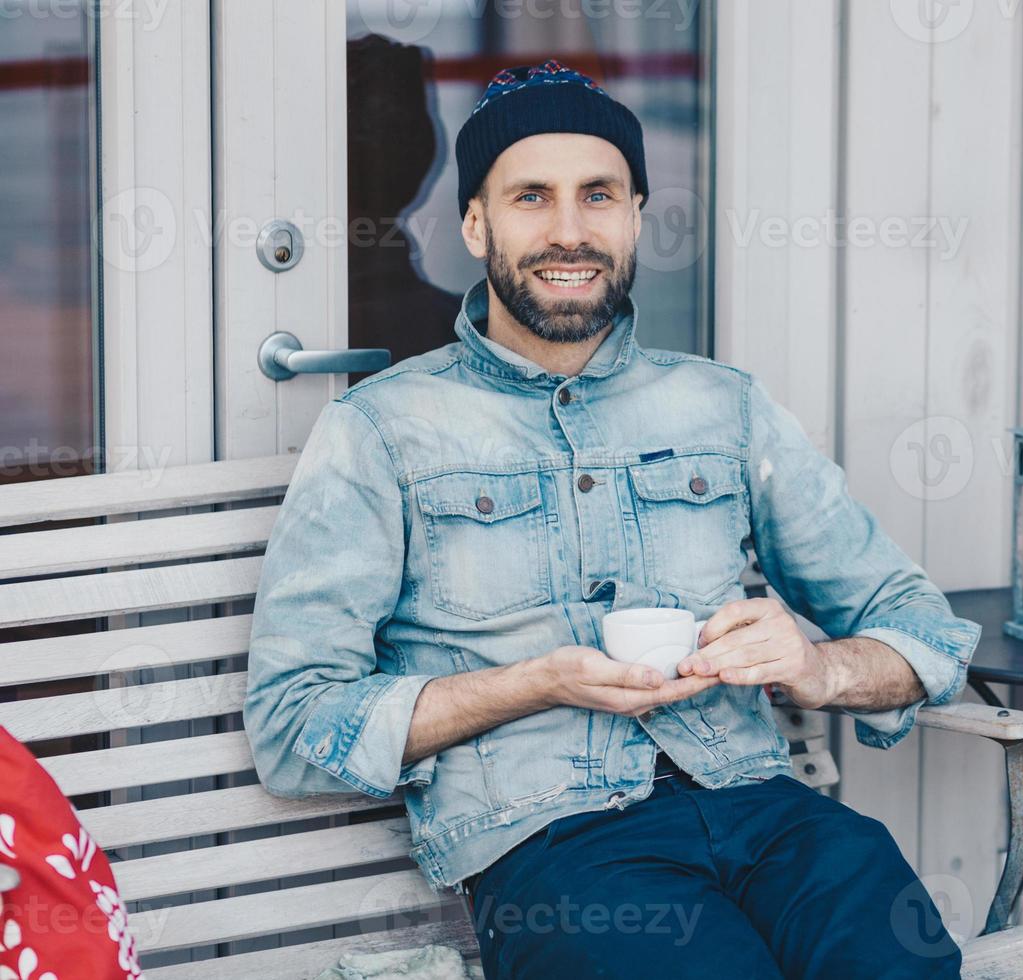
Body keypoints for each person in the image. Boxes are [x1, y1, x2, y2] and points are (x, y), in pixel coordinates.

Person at [244, 59, 981, 979]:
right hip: (563, 851)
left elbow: (923, 632)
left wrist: (816, 666)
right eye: (530, 197)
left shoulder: (725, 407)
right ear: (476, 222)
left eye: (598, 195)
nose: (568, 230)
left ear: (635, 215)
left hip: (768, 811)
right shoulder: (381, 432)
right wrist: (537, 683)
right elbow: (293, 721)